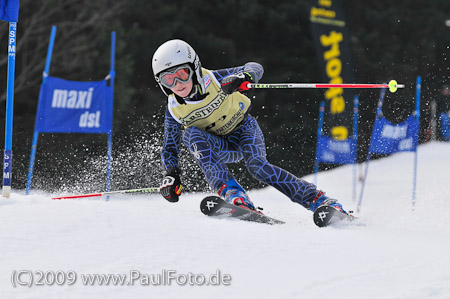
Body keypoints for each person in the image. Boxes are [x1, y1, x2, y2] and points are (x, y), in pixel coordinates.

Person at [152, 39, 348, 215]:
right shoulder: (174, 109)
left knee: (257, 167)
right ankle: (233, 194)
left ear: (194, 68)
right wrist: (171, 174)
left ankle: (318, 199)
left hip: (244, 131)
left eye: (182, 74)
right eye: (168, 79)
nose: (177, 83)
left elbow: (255, 66)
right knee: (191, 135)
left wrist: (245, 76)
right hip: (220, 146)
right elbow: (170, 147)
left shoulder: (215, 80)